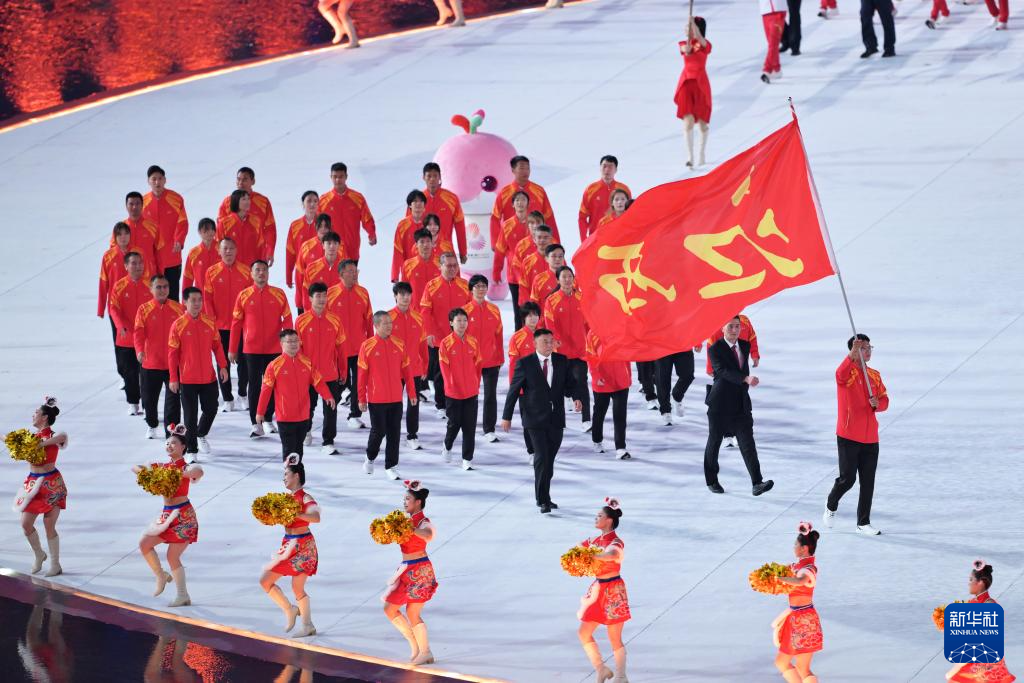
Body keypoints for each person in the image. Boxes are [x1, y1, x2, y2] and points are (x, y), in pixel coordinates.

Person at [501, 328, 583, 513]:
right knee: (542, 458)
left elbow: (570, 384)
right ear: (535, 343)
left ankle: (545, 496)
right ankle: (542, 500)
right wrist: (507, 416)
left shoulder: (561, 361)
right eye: (545, 341)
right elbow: (514, 390)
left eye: (551, 341)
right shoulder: (525, 363)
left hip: (556, 418)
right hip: (534, 419)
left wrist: (577, 397)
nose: (549, 345)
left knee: (549, 460)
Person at [823, 334, 889, 535]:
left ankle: (863, 522)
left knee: (868, 482)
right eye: (863, 348)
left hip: (871, 438)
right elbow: (839, 375)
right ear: (853, 350)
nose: (867, 351)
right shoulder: (847, 372)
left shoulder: (874, 375)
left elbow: (885, 400)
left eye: (869, 347)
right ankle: (831, 504)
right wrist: (851, 356)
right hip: (848, 435)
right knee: (848, 479)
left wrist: (878, 404)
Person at [704, 316, 774, 496]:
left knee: (748, 443)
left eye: (737, 326)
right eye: (731, 327)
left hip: (741, 405)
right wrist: (745, 378)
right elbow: (722, 371)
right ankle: (712, 480)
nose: (735, 330)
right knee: (714, 442)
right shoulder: (715, 349)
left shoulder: (745, 345)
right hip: (719, 405)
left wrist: (751, 365)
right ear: (722, 328)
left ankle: (757, 483)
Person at [134, 425, 203, 607]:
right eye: (167, 443)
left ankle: (182, 595)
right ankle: (161, 576)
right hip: (166, 515)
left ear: (183, 447)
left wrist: (179, 473)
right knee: (144, 544)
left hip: (183, 516)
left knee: (173, 556)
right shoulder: (162, 467)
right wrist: (149, 472)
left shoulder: (186, 466)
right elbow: (135, 467)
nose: (169, 446)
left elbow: (198, 471)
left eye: (173, 443)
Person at [230, 260, 294, 437]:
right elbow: (236, 323)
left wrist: (288, 343)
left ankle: (267, 419)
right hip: (251, 349)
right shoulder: (243, 295)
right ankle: (255, 423)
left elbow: (288, 319)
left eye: (264, 270)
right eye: (257, 270)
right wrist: (232, 348)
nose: (261, 273)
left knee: (272, 385)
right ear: (251, 274)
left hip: (274, 348)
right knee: (255, 385)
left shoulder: (278, 294)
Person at [260, 455, 321, 638]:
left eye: (286, 474)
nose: (284, 478)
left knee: (297, 587)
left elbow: (316, 517)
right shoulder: (285, 499)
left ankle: (308, 626)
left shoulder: (305, 497)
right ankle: (290, 609)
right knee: (265, 581)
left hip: (303, 546)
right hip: (288, 544)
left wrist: (297, 513)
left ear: (296, 475)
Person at [168, 288, 229, 457]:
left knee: (211, 409)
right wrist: (173, 378)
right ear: (185, 302)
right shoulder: (178, 325)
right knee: (190, 417)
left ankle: (201, 433)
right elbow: (172, 354)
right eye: (193, 300)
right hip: (187, 379)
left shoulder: (210, 322)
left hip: (208, 377)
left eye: (199, 300)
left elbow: (217, 346)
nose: (197, 303)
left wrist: (223, 366)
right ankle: (191, 451)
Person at [257, 330, 336, 460]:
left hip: (303, 417)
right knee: (290, 452)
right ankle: (291, 472)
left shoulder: (307, 362)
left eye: (296, 341)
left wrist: (328, 396)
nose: (293, 344)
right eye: (289, 341)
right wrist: (260, 412)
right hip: (285, 418)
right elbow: (266, 391)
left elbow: (318, 382)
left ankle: (296, 473)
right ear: (282, 344)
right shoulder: (274, 366)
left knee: (298, 451)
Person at [383, 480, 438, 665]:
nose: (404, 502)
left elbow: (428, 535)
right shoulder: (404, 521)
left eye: (408, 499)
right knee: (389, 609)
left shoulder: (424, 522)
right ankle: (414, 645)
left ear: (418, 502)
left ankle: (426, 652)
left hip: (420, 570)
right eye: (404, 499)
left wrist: (411, 529)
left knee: (412, 611)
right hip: (405, 569)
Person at [358, 311, 417, 480]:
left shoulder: (399, 344)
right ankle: (370, 457)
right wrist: (361, 398)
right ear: (376, 325)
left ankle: (391, 466)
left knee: (394, 433)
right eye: (385, 323)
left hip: (396, 398)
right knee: (378, 432)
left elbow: (407, 371)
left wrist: (411, 392)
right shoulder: (367, 346)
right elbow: (362, 375)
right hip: (376, 398)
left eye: (390, 323)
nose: (389, 326)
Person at [577, 498, 630, 683]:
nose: (596, 518)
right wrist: (577, 556)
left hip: (613, 590)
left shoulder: (616, 541)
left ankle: (621, 676)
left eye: (599, 515)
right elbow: (578, 548)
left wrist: (592, 554)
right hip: (598, 589)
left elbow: (612, 554)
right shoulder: (594, 540)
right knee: (583, 633)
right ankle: (601, 669)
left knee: (614, 637)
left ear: (609, 520)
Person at [15, 398, 68, 577]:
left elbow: (62, 437)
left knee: (48, 524)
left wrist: (40, 444)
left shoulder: (53, 435)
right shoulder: (30, 438)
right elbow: (11, 441)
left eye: (36, 413)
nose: (33, 415)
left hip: (51, 484)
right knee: (25, 524)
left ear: (44, 417)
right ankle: (39, 554)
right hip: (32, 483)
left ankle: (55, 564)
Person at [295, 283, 347, 456]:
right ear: (310, 298)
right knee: (307, 406)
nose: (322, 299)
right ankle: (306, 430)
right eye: (318, 296)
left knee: (330, 409)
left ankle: (328, 441)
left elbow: (341, 348)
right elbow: (297, 349)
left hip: (329, 374)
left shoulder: (335, 320)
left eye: (324, 296)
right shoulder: (301, 321)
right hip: (308, 375)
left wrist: (343, 370)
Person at [203, 237, 254, 412]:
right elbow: (207, 299)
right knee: (222, 362)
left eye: (231, 248)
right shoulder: (211, 272)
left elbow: (250, 298)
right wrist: (212, 322)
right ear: (219, 251)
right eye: (225, 248)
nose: (228, 251)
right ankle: (227, 398)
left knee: (244, 362)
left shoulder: (246, 271)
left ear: (236, 250)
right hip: (220, 327)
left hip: (241, 326)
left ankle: (242, 393)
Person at [947, 561, 1016, 682]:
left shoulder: (990, 605)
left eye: (971, 579)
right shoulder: (972, 603)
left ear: (981, 582)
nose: (969, 583)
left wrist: (958, 665)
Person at [420, 253, 472, 416]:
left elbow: (470, 310)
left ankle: (459, 402)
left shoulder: (464, 285)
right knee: (440, 374)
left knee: (460, 371)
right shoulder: (431, 286)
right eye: (448, 265)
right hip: (439, 338)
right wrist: (429, 333)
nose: (452, 269)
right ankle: (441, 405)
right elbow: (425, 311)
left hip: (460, 337)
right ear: (440, 266)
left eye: (455, 265)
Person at [134, 275, 185, 441]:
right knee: (149, 400)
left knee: (173, 401)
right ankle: (152, 424)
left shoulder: (178, 309)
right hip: (151, 363)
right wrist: (140, 351)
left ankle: (171, 432)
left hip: (172, 365)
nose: (162, 290)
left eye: (165, 287)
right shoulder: (144, 310)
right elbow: (138, 333)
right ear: (151, 289)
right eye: (158, 287)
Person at [772, 522, 823, 683]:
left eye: (796, 545)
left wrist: (779, 578)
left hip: (802, 622)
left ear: (804, 548)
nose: (794, 547)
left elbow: (801, 581)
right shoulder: (797, 567)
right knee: (794, 666)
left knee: (791, 665)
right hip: (799, 619)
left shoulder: (808, 569)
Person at [99, 223, 151, 379]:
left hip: (139, 301)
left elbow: (147, 274)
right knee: (120, 340)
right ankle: (125, 373)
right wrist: (101, 308)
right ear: (115, 237)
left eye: (126, 234)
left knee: (142, 339)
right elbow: (103, 282)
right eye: (119, 234)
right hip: (117, 306)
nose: (123, 237)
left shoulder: (138, 253)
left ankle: (141, 372)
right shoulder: (108, 256)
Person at [327, 260, 374, 428]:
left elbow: (369, 320)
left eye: (356, 271)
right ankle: (330, 408)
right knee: (339, 383)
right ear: (341, 274)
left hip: (359, 347)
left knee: (359, 381)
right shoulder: (330, 294)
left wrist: (371, 342)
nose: (354, 274)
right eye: (350, 271)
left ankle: (354, 414)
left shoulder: (363, 292)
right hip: (338, 349)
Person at [542, 266, 590, 430]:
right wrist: (555, 341)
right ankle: (559, 420)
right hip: (560, 352)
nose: (568, 279)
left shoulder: (582, 298)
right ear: (558, 280)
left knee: (581, 382)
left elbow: (589, 322)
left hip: (580, 350)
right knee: (560, 385)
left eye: (570, 276)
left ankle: (586, 419)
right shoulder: (551, 300)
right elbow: (549, 324)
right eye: (564, 277)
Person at [439, 308, 483, 471]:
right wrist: (451, 386)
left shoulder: (473, 342)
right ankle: (447, 444)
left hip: (471, 392)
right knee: (454, 424)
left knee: (469, 427)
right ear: (451, 323)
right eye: (459, 321)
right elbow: (444, 369)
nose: (462, 324)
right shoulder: (445, 343)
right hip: (454, 393)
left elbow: (478, 365)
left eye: (465, 320)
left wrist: (475, 383)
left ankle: (467, 458)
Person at [109, 252, 153, 415]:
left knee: (147, 375)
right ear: (126, 266)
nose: (138, 266)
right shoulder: (119, 286)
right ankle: (133, 402)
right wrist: (120, 326)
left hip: (146, 339)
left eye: (140, 263)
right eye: (133, 263)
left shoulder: (150, 284)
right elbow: (113, 308)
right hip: (126, 337)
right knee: (129, 373)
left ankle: (148, 406)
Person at [463, 275, 504, 441]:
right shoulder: (465, 311)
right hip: (470, 361)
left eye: (483, 286)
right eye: (477, 286)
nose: (481, 289)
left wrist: (500, 357)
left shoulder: (494, 309)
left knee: (490, 396)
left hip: (491, 360)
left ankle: (489, 429)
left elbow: (498, 335)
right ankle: (468, 425)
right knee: (470, 396)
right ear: (471, 290)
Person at [388, 282, 428, 450]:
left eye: (408, 294)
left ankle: (412, 435)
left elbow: (423, 344)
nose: (405, 298)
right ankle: (392, 433)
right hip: (394, 370)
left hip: (414, 369)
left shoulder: (418, 318)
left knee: (414, 403)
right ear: (395, 296)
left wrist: (425, 365)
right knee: (394, 403)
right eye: (401, 294)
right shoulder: (387, 318)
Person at [142, 166, 189, 301]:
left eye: (160, 179)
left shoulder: (176, 199)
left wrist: (179, 241)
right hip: (151, 258)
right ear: (148, 181)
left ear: (165, 180)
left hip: (171, 256)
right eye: (154, 179)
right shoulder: (143, 202)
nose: (157, 182)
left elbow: (183, 222)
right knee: (152, 297)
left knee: (172, 296)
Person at [490, 156, 558, 244]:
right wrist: (496, 243)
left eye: (527, 168)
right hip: (512, 243)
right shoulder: (504, 193)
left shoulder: (539, 191)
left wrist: (555, 242)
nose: (526, 171)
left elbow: (549, 217)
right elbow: (495, 218)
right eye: (522, 168)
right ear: (513, 170)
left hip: (537, 243)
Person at [217, 167, 277, 266]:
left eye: (245, 179)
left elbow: (270, 229)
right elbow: (219, 235)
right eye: (238, 179)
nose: (240, 183)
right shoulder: (227, 202)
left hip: (254, 256)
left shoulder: (263, 202)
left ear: (253, 181)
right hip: (233, 260)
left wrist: (269, 251)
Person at [586, 332, 632, 459]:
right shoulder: (593, 333)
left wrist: (628, 375)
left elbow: (627, 355)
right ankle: (597, 440)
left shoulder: (621, 330)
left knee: (620, 414)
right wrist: (596, 376)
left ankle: (620, 448)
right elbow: (590, 356)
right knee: (600, 412)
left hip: (621, 380)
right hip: (603, 381)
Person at [674, 17, 713, 167]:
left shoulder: (705, 45)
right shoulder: (684, 44)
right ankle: (690, 157)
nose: (686, 29)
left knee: (702, 124)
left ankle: (701, 153)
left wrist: (694, 25)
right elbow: (686, 49)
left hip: (700, 85)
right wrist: (688, 47)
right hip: (686, 84)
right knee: (688, 121)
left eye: (688, 26)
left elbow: (700, 41)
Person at [318, 162, 376, 261]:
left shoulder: (357, 198)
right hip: (332, 252)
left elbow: (367, 219)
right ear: (331, 177)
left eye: (341, 176)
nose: (338, 180)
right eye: (335, 177)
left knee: (351, 271)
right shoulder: (324, 201)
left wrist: (372, 234)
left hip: (352, 250)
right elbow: (317, 226)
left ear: (346, 177)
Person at [508, 301, 541, 459]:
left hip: (543, 386)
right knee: (528, 421)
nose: (533, 318)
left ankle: (543, 449)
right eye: (529, 316)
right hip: (526, 388)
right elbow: (513, 366)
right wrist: (516, 388)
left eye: (535, 315)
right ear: (524, 318)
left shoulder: (545, 336)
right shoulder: (517, 338)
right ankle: (532, 451)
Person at [493, 191, 531, 326]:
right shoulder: (507, 225)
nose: (520, 203)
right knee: (518, 309)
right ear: (513, 205)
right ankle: (519, 336)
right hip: (514, 275)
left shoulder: (534, 223)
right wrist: (496, 271)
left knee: (533, 309)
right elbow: (500, 250)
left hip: (533, 273)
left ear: (528, 203)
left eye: (523, 200)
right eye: (517, 200)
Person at [420, 162, 467, 263]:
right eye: (429, 176)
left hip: (446, 252)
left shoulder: (452, 199)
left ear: (440, 177)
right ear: (423, 177)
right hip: (423, 252)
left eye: (435, 176)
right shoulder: (418, 200)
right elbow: (410, 228)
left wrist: (463, 252)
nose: (432, 179)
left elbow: (460, 227)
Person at [578, 156, 631, 242]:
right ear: (600, 168)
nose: (607, 170)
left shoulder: (624, 189)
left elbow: (630, 214)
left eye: (610, 167)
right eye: (604, 166)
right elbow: (582, 217)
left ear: (616, 170)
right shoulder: (590, 189)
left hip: (619, 238)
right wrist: (584, 240)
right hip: (596, 239)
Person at [285, 191, 320, 313]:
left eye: (315, 201)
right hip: (301, 272)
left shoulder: (324, 225)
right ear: (303, 204)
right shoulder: (295, 225)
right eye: (309, 201)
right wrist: (288, 275)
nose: (312, 204)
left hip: (320, 271)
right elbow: (290, 251)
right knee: (301, 302)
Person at [655, 341, 701, 427]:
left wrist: (697, 341)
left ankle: (677, 396)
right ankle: (665, 411)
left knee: (688, 375)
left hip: (683, 342)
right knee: (662, 379)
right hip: (661, 344)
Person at [217, 189, 263, 270]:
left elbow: (260, 245)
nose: (247, 202)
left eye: (248, 199)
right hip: (232, 269)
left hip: (251, 268)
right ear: (236, 201)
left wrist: (261, 265)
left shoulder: (256, 221)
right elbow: (218, 246)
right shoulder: (224, 223)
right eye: (244, 199)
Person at [301, 231, 347, 310]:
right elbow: (306, 292)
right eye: (329, 243)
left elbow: (352, 292)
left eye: (335, 243)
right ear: (323, 245)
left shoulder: (347, 268)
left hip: (340, 313)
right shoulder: (312, 268)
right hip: (319, 313)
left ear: (339, 246)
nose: (332, 246)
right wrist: (308, 312)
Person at [294, 214, 332, 309]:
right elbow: (299, 274)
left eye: (326, 226)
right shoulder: (306, 247)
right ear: (316, 226)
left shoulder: (339, 247)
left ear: (330, 227)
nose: (323, 229)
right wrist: (299, 299)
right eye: (320, 226)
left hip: (332, 301)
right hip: (311, 301)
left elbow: (346, 273)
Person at [401, 228, 441, 314]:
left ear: (432, 243)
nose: (425, 245)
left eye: (428, 241)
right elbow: (403, 291)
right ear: (416, 245)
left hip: (437, 313)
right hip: (415, 313)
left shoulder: (441, 263)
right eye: (422, 242)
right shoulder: (408, 265)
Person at [122, 192, 160, 276]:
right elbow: (114, 253)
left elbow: (159, 254)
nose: (134, 207)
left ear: (142, 205)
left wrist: (160, 275)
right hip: (127, 277)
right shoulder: (120, 229)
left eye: (137, 204)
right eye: (131, 204)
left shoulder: (153, 227)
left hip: (149, 276)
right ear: (126, 206)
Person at [392, 191, 427, 282]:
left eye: (421, 201)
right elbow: (397, 250)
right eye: (415, 201)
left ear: (424, 205)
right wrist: (395, 275)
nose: (418, 204)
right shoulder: (402, 225)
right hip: (409, 272)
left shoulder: (430, 224)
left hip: (428, 269)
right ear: (410, 205)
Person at [181, 218, 219, 292]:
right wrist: (185, 298)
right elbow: (188, 277)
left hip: (219, 293)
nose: (210, 232)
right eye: (206, 229)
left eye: (212, 229)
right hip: (200, 295)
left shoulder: (222, 249)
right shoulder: (193, 253)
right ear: (199, 232)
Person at [760, 0, 787, 83]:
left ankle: (767, 70)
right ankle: (776, 69)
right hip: (765, 10)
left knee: (773, 43)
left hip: (778, 10)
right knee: (771, 44)